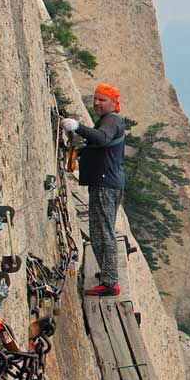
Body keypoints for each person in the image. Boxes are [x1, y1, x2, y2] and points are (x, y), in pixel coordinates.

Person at [61, 84, 125, 296]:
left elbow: (102, 138)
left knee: (104, 232)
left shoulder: (112, 120)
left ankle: (110, 283)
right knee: (98, 230)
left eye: (102, 100)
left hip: (106, 185)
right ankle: (108, 274)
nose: (96, 103)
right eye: (96, 99)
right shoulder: (109, 120)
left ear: (113, 104)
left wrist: (77, 126)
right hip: (104, 183)